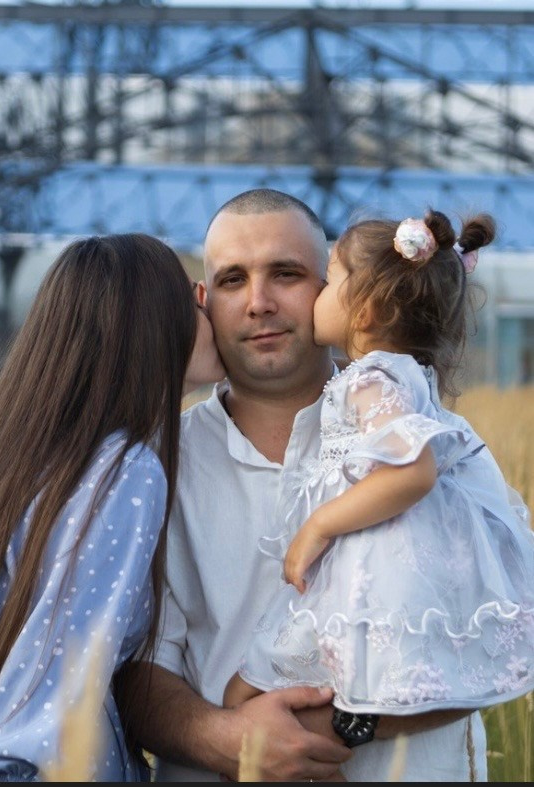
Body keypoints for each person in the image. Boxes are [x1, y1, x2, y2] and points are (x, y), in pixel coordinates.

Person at [116, 190, 492, 782]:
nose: (259, 303)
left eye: (286, 274)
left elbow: (492, 638)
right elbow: (131, 668)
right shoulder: (153, 465)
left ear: (337, 288)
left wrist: (332, 729)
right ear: (204, 300)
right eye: (234, 280)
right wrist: (227, 740)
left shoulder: (428, 441)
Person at [223, 208, 534, 754]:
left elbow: (413, 469)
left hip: (369, 575)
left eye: (330, 280)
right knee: (273, 691)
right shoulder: (408, 376)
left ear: (366, 311)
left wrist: (319, 525)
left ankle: (308, 745)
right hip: (392, 577)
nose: (318, 294)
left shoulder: (370, 379)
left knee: (243, 693)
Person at [0, 233, 225, 782]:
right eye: (194, 297)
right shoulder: (125, 470)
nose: (211, 312)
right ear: (151, 320)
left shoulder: (28, 458)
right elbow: (62, 675)